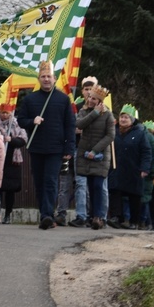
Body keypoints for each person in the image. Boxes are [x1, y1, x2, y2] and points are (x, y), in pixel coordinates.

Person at [17, 60, 76, 230]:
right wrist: (31, 121)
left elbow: (70, 125)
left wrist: (69, 148)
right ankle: (45, 213)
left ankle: (47, 215)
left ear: (54, 78)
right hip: (36, 147)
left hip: (55, 148)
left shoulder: (64, 100)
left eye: (49, 76)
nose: (46, 79)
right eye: (43, 76)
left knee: (50, 181)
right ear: (39, 78)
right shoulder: (30, 99)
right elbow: (21, 121)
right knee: (40, 182)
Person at [73, 84, 115, 230]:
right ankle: (91, 217)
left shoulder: (108, 115)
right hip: (84, 154)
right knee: (89, 185)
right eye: (90, 97)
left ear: (100, 101)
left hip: (101, 155)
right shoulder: (84, 112)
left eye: (94, 98)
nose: (90, 100)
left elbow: (110, 135)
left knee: (98, 185)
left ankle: (99, 216)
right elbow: (79, 124)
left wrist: (95, 150)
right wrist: (94, 113)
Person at [106, 104, 151, 230]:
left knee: (134, 196)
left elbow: (146, 152)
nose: (123, 120)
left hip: (133, 169)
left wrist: (144, 168)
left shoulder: (140, 133)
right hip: (116, 168)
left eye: (126, 117)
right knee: (115, 191)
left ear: (132, 120)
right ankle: (116, 217)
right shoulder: (113, 131)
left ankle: (134, 221)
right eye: (121, 117)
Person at [61, 76, 97, 226]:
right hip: (73, 147)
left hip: (91, 150)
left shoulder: (99, 107)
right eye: (86, 89)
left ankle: (87, 214)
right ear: (82, 91)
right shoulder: (75, 106)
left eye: (91, 89)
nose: (89, 92)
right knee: (65, 183)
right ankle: (63, 213)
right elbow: (70, 125)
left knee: (87, 184)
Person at [0, 103, 28, 224]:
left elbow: (23, 140)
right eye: (2, 112)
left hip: (13, 160)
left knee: (10, 189)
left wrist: (12, 140)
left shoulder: (16, 123)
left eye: (7, 113)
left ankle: (8, 214)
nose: (4, 115)